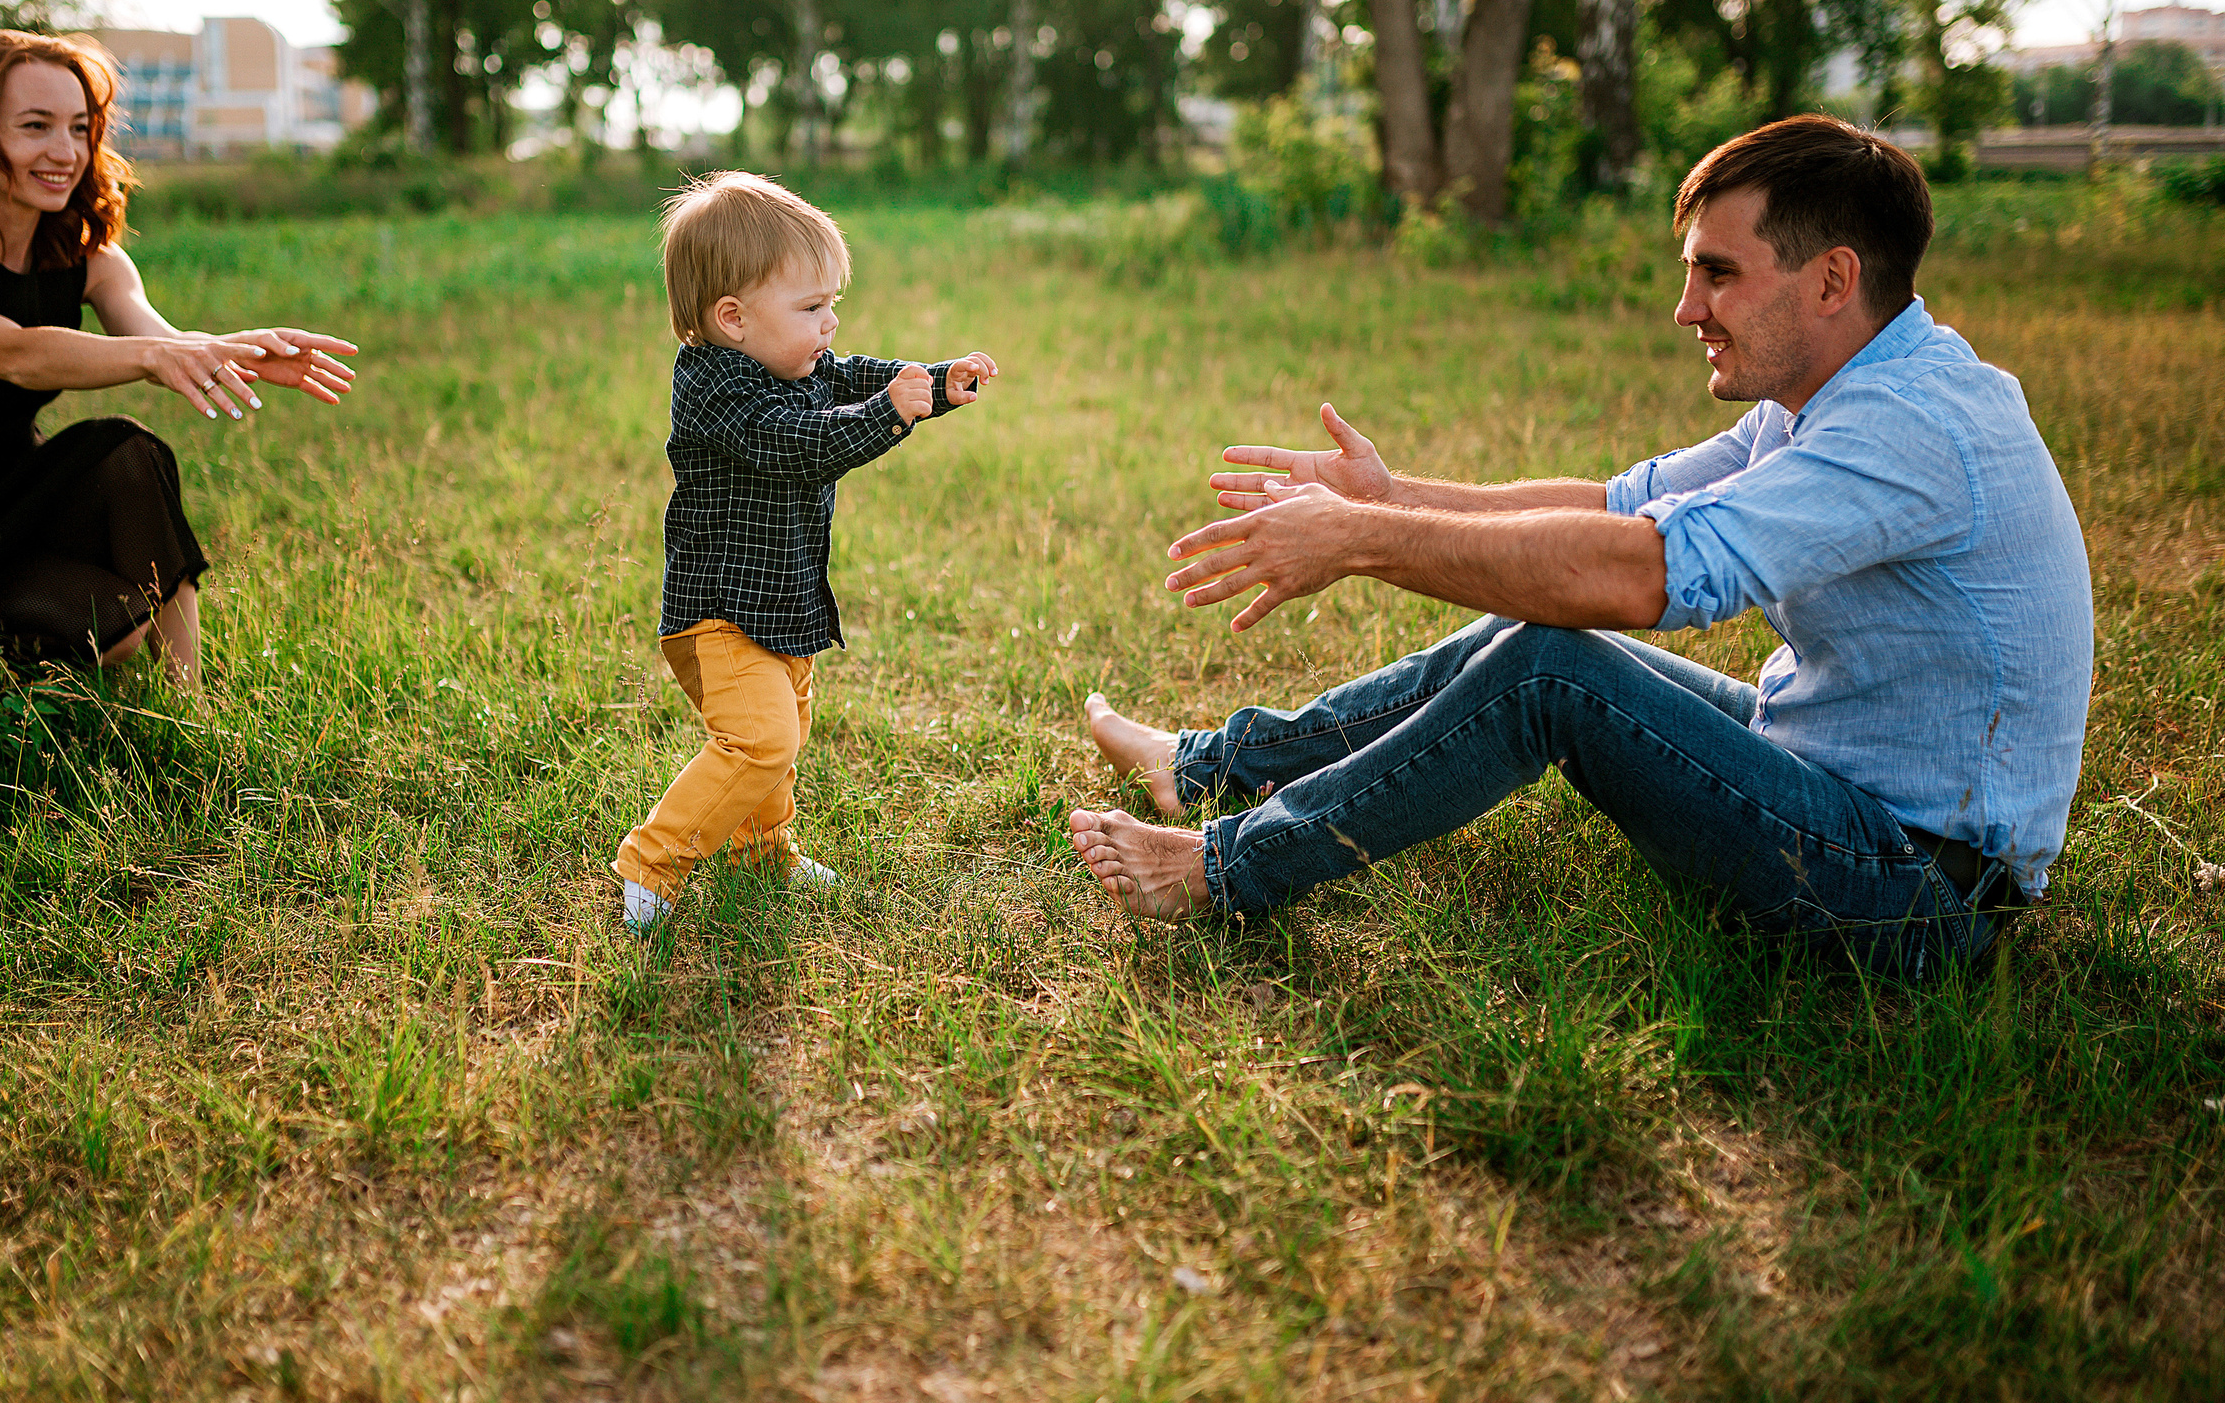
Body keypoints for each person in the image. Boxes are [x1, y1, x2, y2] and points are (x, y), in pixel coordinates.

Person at [1068, 116, 2091, 977]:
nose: (1686, 309)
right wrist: (1393, 494)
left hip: (1918, 891)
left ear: (1832, 280)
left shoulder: (1909, 425)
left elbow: (1636, 572)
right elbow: (1619, 504)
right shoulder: (1830, 392)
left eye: (1718, 275)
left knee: (1552, 666)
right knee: (1534, 616)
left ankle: (1220, 869)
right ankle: (1214, 764)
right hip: (1827, 767)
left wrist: (1364, 537)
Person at [0, 29, 358, 684]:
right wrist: (152, 357)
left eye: (81, 129)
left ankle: (191, 703)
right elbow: (15, 355)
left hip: (20, 504)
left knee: (128, 451)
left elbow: (154, 334)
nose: (65, 152)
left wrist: (239, 352)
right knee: (108, 634)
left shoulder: (89, 259)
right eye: (35, 126)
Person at [613, 172, 1005, 930]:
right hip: (719, 613)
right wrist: (885, 417)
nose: (828, 325)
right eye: (811, 308)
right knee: (759, 738)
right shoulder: (717, 389)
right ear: (733, 318)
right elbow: (798, 444)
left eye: (832, 306)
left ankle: (762, 848)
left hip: (784, 602)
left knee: (784, 733)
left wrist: (933, 382)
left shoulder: (792, 361)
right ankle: (652, 860)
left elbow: (856, 376)